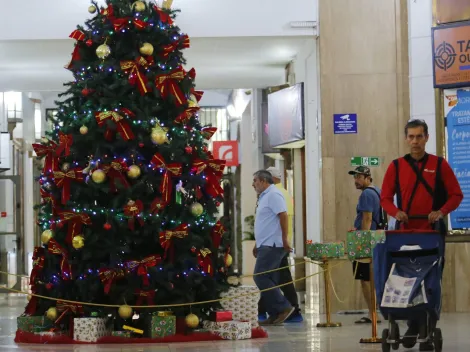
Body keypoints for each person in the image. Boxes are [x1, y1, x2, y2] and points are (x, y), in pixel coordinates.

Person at [381, 119, 463, 351]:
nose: (415, 141)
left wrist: (441, 212)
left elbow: (456, 195)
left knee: (430, 281)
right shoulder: (396, 166)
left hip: (432, 235)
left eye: (419, 136)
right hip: (404, 235)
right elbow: (385, 198)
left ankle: (425, 327)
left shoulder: (440, 165)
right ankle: (413, 326)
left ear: (426, 138)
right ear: (406, 139)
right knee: (406, 280)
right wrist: (396, 212)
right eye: (411, 137)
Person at [257, 167, 303, 323]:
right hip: (266, 243)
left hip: (273, 244)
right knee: (271, 278)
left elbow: (283, 215)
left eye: (255, 181)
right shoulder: (265, 196)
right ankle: (275, 313)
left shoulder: (274, 195)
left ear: (264, 181)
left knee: (261, 276)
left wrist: (284, 239)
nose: (253, 184)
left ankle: (284, 307)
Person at [348, 166, 382, 325]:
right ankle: (374, 312)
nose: (356, 180)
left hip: (366, 241)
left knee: (365, 279)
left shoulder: (367, 194)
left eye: (359, 177)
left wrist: (362, 240)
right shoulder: (377, 192)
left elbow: (367, 218)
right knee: (371, 277)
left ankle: (372, 313)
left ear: (368, 178)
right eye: (355, 177)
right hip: (376, 238)